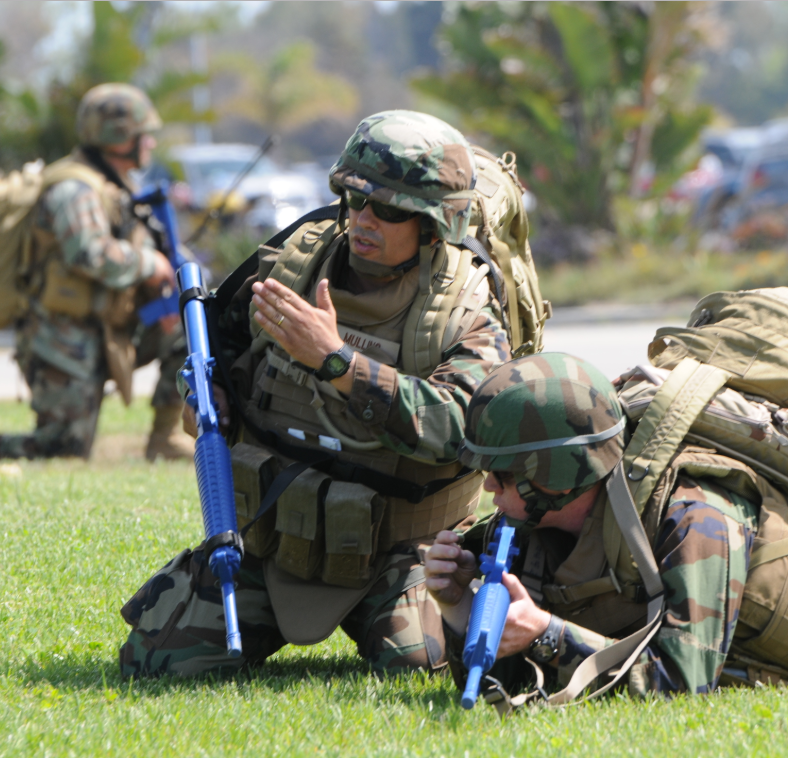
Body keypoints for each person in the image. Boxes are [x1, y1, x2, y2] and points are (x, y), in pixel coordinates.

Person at [117, 110, 513, 677]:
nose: (365, 220)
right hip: (275, 532)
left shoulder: (466, 308)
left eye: (391, 209)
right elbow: (221, 355)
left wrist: (337, 362)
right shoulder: (295, 262)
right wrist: (212, 397)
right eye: (355, 200)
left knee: (419, 664)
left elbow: (459, 429)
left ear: (434, 223)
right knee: (155, 660)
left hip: (397, 550)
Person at [425, 353, 788, 705]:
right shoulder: (537, 526)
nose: (490, 491)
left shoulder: (696, 515)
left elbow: (681, 685)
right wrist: (456, 604)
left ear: (556, 476)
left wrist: (548, 634)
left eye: (501, 474)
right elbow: (509, 679)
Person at [0, 83, 193, 461]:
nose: (151, 144)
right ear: (119, 137)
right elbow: (89, 254)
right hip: (60, 340)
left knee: (189, 329)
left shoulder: (115, 186)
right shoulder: (75, 190)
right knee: (62, 450)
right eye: (145, 135)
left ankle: (164, 439)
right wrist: (150, 264)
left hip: (104, 328)